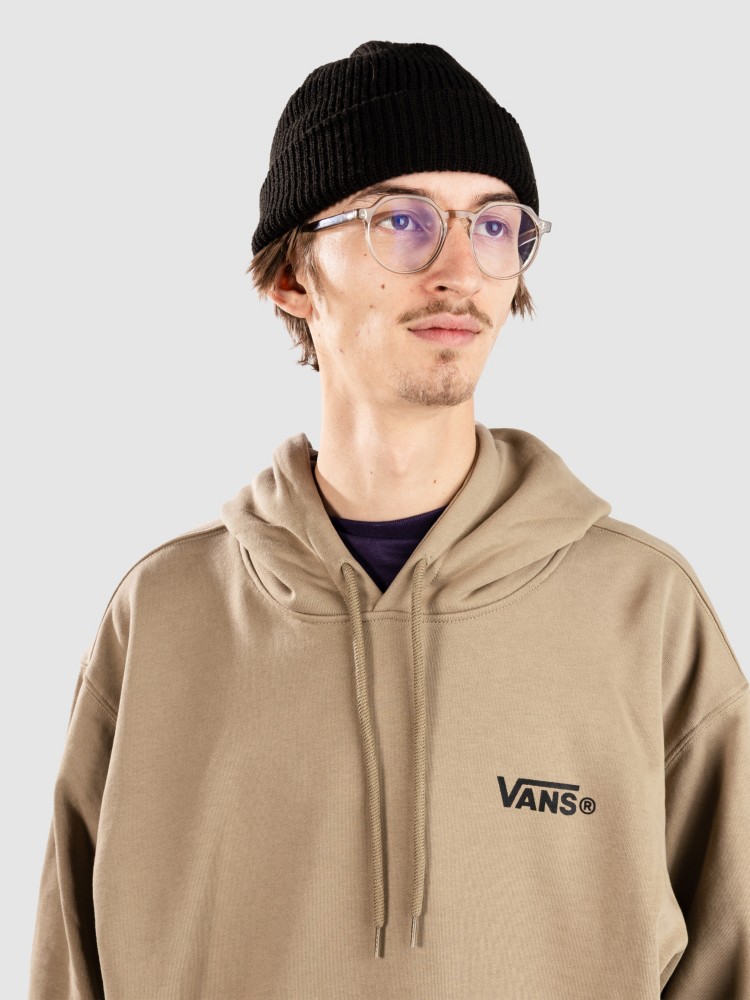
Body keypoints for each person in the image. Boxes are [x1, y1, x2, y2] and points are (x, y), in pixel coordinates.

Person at [28, 40, 749, 1000]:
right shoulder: (161, 617)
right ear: (292, 277)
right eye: (401, 221)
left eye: (495, 225)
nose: (459, 269)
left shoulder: (644, 611)